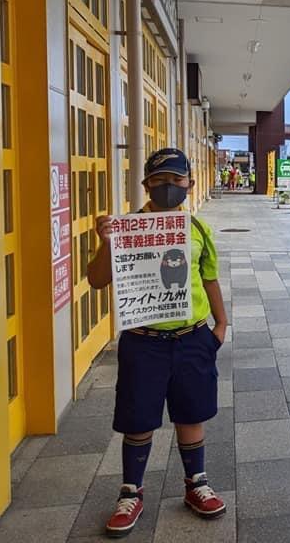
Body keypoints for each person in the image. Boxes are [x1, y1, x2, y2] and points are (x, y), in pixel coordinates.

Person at [88, 148, 228, 536]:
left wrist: (221, 324)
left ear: (190, 184)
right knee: (138, 419)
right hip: (142, 341)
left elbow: (209, 276)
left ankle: (195, 484)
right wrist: (104, 243)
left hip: (192, 338)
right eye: (160, 181)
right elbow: (97, 281)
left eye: (176, 181)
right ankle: (131, 491)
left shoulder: (197, 229)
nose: (169, 188)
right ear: (146, 184)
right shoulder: (125, 229)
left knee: (191, 414)